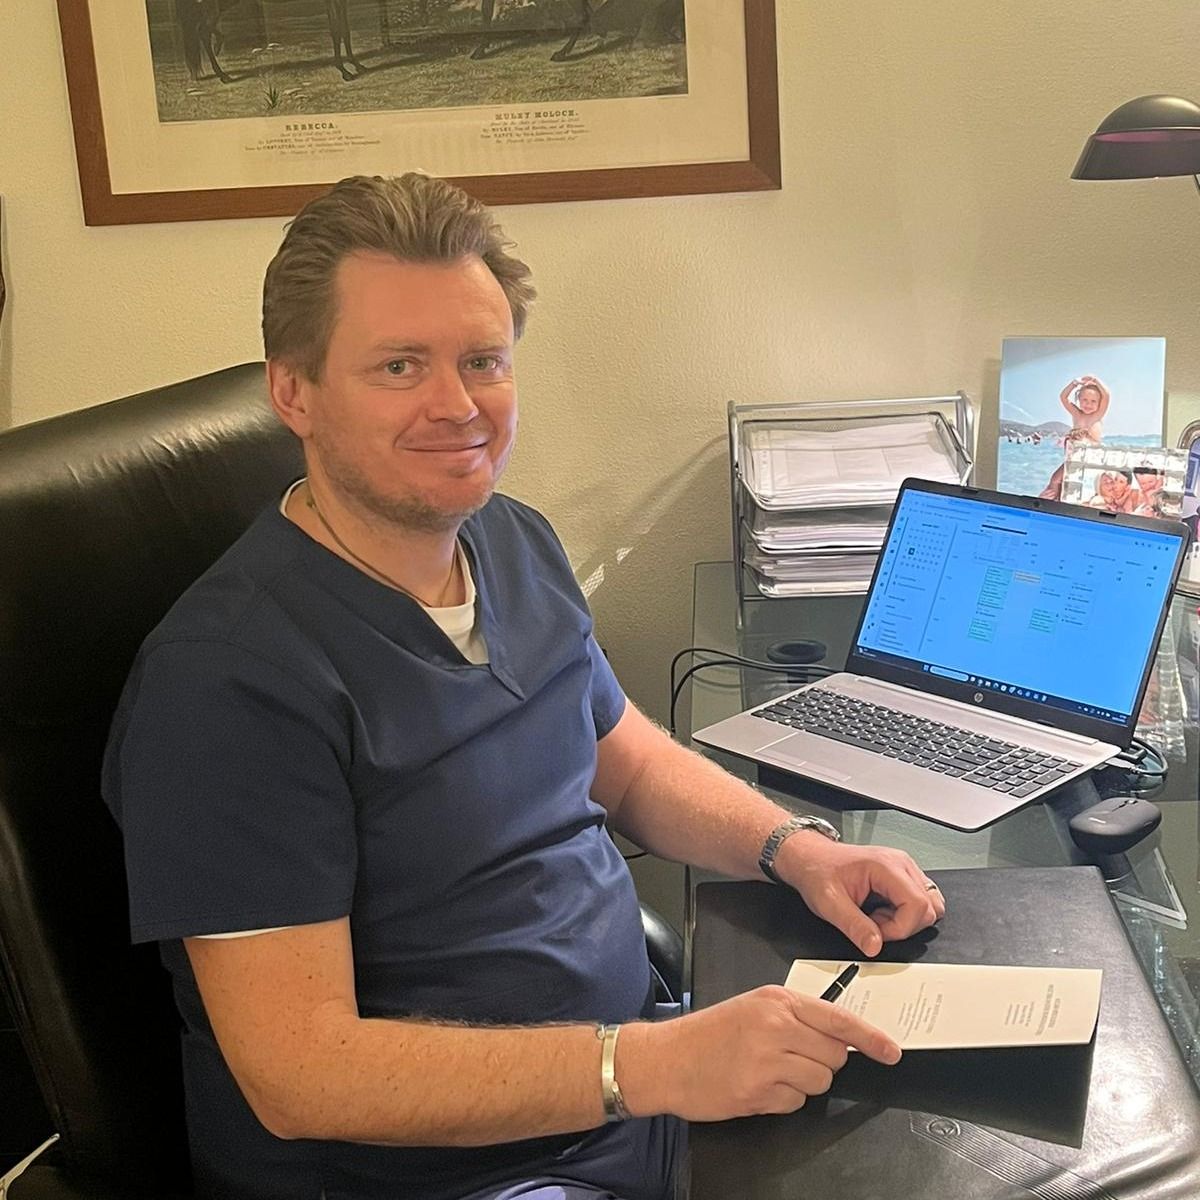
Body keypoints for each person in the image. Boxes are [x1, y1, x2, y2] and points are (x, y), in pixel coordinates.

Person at [102, 173, 945, 1200]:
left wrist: (796, 850)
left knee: (965, 1137)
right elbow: (299, 1072)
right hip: (438, 1178)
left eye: (483, 361)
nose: (457, 406)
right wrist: (648, 1067)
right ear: (295, 393)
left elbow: (623, 762)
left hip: (631, 1087)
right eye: (399, 366)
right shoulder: (229, 685)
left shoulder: (510, 539)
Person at [1039, 375, 1111, 500]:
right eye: (1084, 400)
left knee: (1083, 485)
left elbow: (1107, 395)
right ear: (1079, 400)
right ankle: (1049, 501)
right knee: (1055, 479)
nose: (1088, 404)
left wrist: (1095, 380)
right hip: (1074, 457)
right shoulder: (1076, 414)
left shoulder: (1098, 415)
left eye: (1093, 401)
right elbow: (1063, 397)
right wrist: (1074, 383)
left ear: (1099, 403)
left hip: (1091, 457)